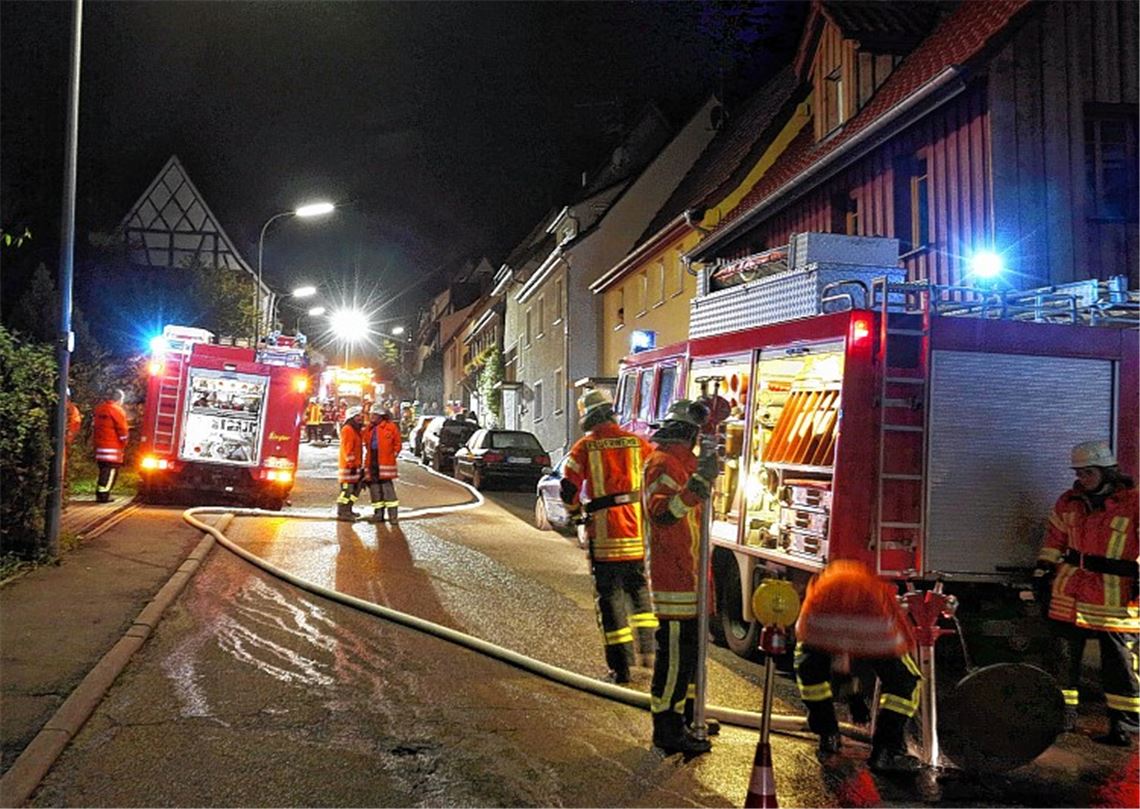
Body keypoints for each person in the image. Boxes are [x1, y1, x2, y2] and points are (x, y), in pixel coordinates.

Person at [1035, 440, 1138, 746]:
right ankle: (1062, 719)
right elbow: (1055, 538)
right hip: (1071, 592)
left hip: (1117, 598)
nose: (1083, 478)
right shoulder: (1069, 501)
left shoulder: (1133, 503)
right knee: (1062, 661)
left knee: (1120, 666)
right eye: (1079, 473)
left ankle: (1125, 725)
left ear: (1108, 471)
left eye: (1089, 472)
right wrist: (1043, 568)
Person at [560, 389, 658, 685]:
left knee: (611, 601)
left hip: (604, 538)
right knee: (640, 594)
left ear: (588, 417)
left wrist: (575, 513)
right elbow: (656, 474)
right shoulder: (637, 442)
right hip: (636, 532)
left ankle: (621, 668)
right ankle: (651, 655)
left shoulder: (585, 447)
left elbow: (567, 487)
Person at [794, 560, 922, 773]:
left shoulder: (823, 586)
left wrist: (853, 694)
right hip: (873, 625)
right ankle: (886, 753)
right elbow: (889, 641)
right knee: (905, 682)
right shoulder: (873, 588)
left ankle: (828, 736)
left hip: (818, 628)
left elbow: (839, 656)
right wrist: (854, 697)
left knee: (811, 675)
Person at [641, 399, 716, 755]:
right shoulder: (662, 464)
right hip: (673, 579)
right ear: (687, 433)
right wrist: (697, 487)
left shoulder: (681, 464)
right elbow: (663, 514)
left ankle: (687, 715)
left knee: (688, 655)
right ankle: (666, 729)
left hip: (689, 577)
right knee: (673, 659)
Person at [363, 408, 402, 523]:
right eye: (371, 415)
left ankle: (393, 517)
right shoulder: (369, 428)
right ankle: (378, 515)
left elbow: (397, 444)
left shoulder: (390, 427)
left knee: (387, 490)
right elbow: (366, 443)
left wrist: (391, 456)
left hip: (385, 462)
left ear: (381, 416)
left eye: (374, 415)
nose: (371, 417)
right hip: (373, 461)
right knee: (375, 490)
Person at [92, 389, 130, 503]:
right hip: (113, 449)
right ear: (119, 399)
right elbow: (122, 429)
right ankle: (103, 496)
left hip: (100, 447)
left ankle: (100, 493)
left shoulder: (99, 409)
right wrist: (125, 441)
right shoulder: (117, 410)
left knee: (103, 471)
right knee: (110, 472)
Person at [336, 406, 365, 521]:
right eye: (357, 416)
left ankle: (348, 509)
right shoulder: (348, 429)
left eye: (360, 416)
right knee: (347, 491)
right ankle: (342, 511)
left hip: (355, 466)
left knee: (355, 490)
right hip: (348, 467)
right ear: (351, 417)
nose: (360, 418)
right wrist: (351, 464)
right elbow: (347, 450)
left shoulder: (355, 430)